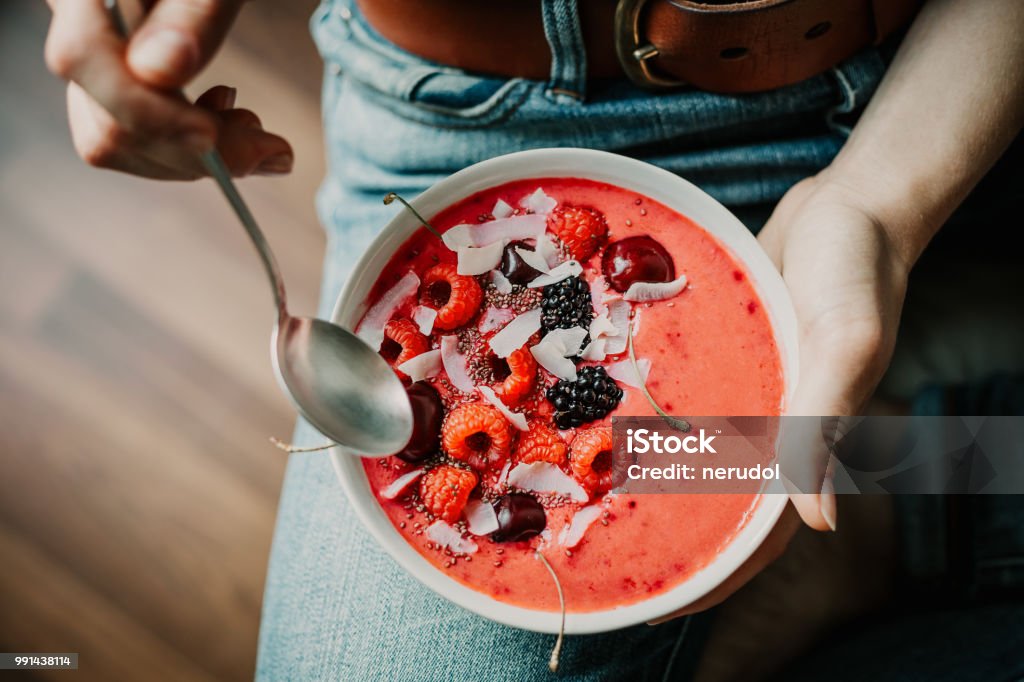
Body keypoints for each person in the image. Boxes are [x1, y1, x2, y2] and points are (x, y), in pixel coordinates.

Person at [42, 0, 1024, 679]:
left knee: (911, 468)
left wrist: (880, 207)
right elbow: (566, 383)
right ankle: (915, 504)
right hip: (466, 123)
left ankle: (909, 512)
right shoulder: (532, 347)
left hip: (931, 80)